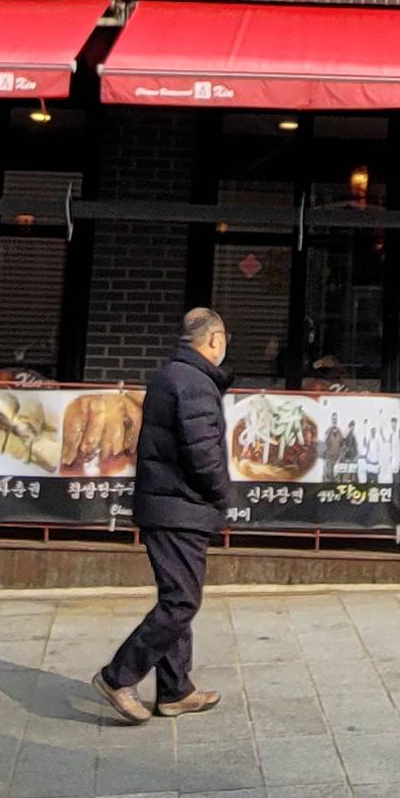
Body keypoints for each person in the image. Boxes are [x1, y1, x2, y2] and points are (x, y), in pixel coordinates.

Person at [94, 307, 233, 722]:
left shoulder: (173, 375)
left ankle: (175, 690)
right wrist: (222, 493)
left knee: (177, 596)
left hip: (170, 504)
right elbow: (203, 454)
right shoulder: (194, 383)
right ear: (214, 339)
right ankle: (119, 676)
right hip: (179, 506)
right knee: (181, 601)